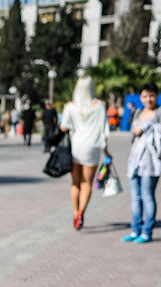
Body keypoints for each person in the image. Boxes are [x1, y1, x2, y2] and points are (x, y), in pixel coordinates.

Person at [60, 76, 109, 230]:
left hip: (76, 146)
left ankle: (75, 212)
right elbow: (104, 130)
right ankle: (82, 212)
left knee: (75, 182)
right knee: (87, 182)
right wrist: (106, 151)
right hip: (92, 147)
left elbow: (64, 127)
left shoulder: (70, 106)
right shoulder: (99, 106)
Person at [124, 83, 161, 244]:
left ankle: (147, 231)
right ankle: (135, 229)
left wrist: (144, 128)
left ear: (157, 96)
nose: (148, 99)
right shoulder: (138, 111)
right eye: (145, 96)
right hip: (135, 160)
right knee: (135, 198)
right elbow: (132, 137)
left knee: (147, 196)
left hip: (150, 162)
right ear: (140, 97)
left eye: (151, 95)